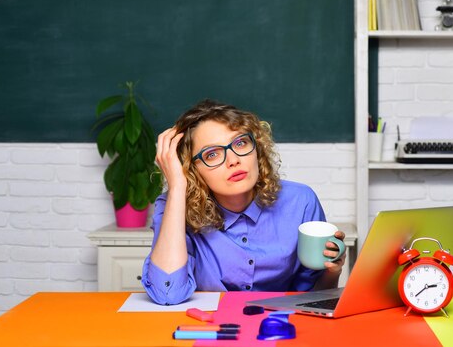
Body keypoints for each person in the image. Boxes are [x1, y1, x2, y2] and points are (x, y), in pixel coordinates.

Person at [142, 99, 346, 305]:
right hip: (209, 326)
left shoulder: (301, 201)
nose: (233, 160)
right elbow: (167, 293)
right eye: (212, 154)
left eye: (240, 143)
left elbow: (314, 297)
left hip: (281, 325)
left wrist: (332, 271)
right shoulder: (174, 206)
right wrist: (177, 186)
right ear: (192, 170)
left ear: (256, 147)